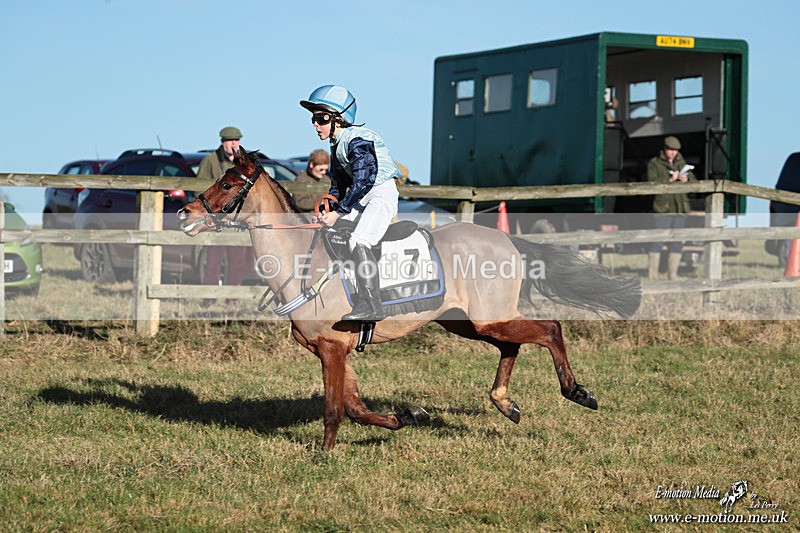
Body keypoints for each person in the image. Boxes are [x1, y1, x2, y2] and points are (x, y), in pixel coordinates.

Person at [300, 85, 402, 321]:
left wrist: (340, 211)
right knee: (331, 230)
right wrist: (330, 210)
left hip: (379, 195)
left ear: (339, 119)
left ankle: (373, 305)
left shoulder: (358, 140)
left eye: (322, 118)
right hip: (362, 196)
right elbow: (338, 185)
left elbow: (364, 181)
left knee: (359, 239)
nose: (316, 124)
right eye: (314, 119)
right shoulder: (336, 143)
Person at [196, 126, 251, 306]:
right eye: (230, 140)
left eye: (237, 140)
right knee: (213, 263)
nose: (234, 144)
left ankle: (232, 299)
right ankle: (208, 300)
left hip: (236, 223)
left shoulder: (243, 162)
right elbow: (199, 189)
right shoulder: (210, 161)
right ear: (222, 142)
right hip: (215, 222)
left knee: (237, 263)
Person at [646, 135, 696, 280]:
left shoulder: (681, 163)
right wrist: (669, 180)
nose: (673, 152)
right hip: (663, 208)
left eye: (675, 150)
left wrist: (686, 180)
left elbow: (694, 180)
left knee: (677, 242)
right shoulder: (654, 163)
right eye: (671, 150)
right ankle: (652, 275)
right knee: (658, 240)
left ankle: (673, 275)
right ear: (665, 149)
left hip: (680, 208)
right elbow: (651, 183)